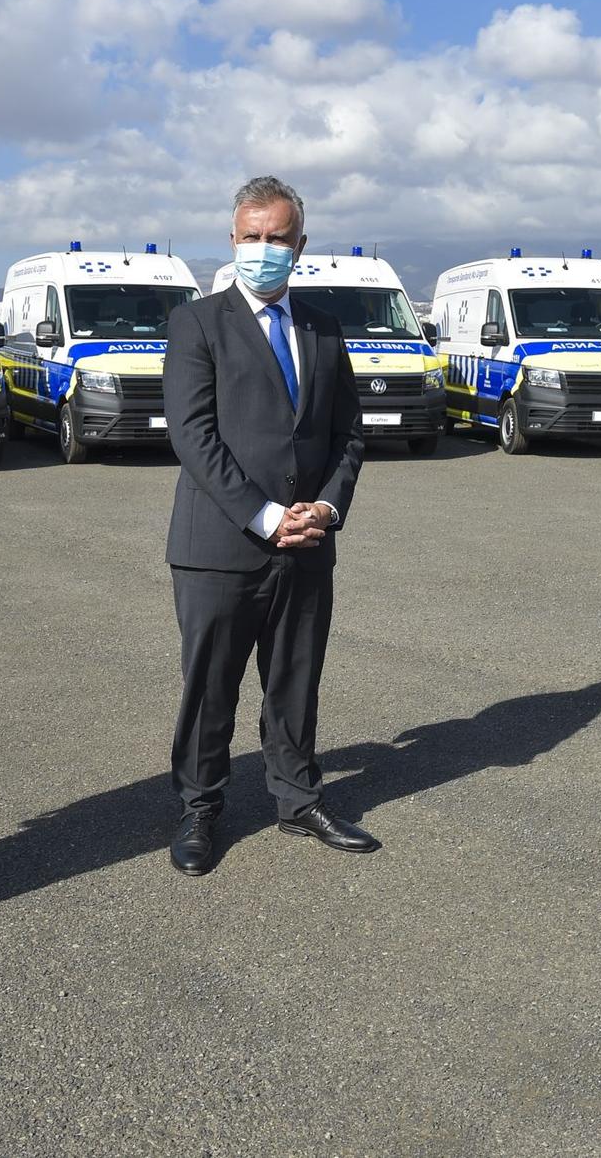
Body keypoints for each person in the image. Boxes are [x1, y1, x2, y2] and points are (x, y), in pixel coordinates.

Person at [161, 175, 370, 876]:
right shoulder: (197, 323)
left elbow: (347, 434)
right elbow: (193, 436)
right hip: (220, 547)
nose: (263, 249)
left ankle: (298, 797)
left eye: (277, 237)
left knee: (295, 680)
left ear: (300, 245)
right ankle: (199, 808)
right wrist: (267, 515)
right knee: (210, 687)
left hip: (307, 545)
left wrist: (328, 507)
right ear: (232, 239)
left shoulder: (323, 327)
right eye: (251, 237)